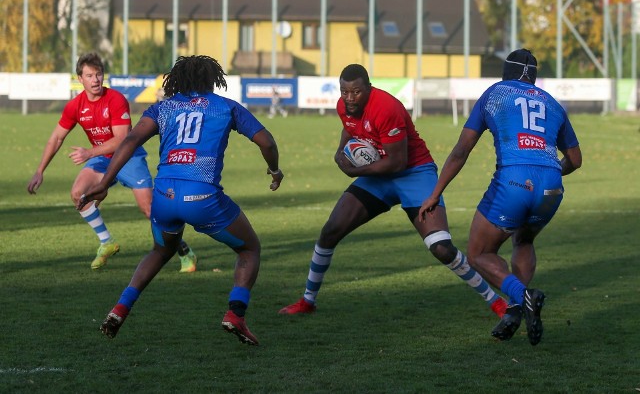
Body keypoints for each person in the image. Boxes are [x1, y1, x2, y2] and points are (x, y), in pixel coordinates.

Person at [77, 55, 284, 346]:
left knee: (161, 251)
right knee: (249, 248)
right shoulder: (226, 106)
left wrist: (103, 182)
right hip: (203, 198)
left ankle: (120, 308)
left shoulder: (163, 107)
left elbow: (130, 141)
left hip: (163, 196)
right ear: (213, 80)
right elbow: (267, 142)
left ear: (179, 81)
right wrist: (274, 170)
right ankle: (236, 314)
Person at [279, 63, 508, 318]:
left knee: (441, 247)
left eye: (356, 92)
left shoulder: (386, 107)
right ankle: (308, 300)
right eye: (344, 92)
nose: (349, 98)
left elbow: (397, 162)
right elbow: (350, 126)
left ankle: (495, 301)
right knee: (330, 230)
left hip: (413, 173)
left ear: (369, 87)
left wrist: (355, 172)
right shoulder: (343, 106)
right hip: (379, 174)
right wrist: (339, 152)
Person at [419, 48, 582, 346]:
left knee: (478, 253)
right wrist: (549, 172)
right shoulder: (553, 104)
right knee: (525, 240)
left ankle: (524, 296)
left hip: (514, 182)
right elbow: (575, 159)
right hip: (552, 185)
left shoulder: (495, 93)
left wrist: (435, 193)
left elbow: (461, 150)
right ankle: (516, 310)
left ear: (505, 72)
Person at [27, 52, 197, 272]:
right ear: (80, 78)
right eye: (89, 75)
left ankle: (184, 250)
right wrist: (40, 170)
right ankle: (106, 242)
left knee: (151, 211)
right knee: (79, 194)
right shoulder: (75, 106)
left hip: (129, 157)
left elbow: (122, 140)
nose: (95, 79)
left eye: (98, 74)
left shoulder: (115, 100)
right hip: (101, 159)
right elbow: (57, 137)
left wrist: (88, 153)